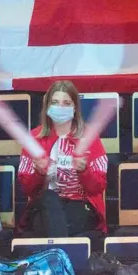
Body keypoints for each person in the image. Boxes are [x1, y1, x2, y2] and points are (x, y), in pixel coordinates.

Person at [18, 80, 107, 238]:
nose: (60, 107)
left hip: (80, 206)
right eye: (55, 102)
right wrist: (38, 173)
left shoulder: (89, 137)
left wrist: (84, 171)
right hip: (44, 206)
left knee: (56, 224)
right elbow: (27, 190)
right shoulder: (34, 138)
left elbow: (98, 188)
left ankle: (58, 247)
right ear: (47, 107)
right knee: (49, 197)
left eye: (66, 103)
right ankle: (64, 248)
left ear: (74, 108)